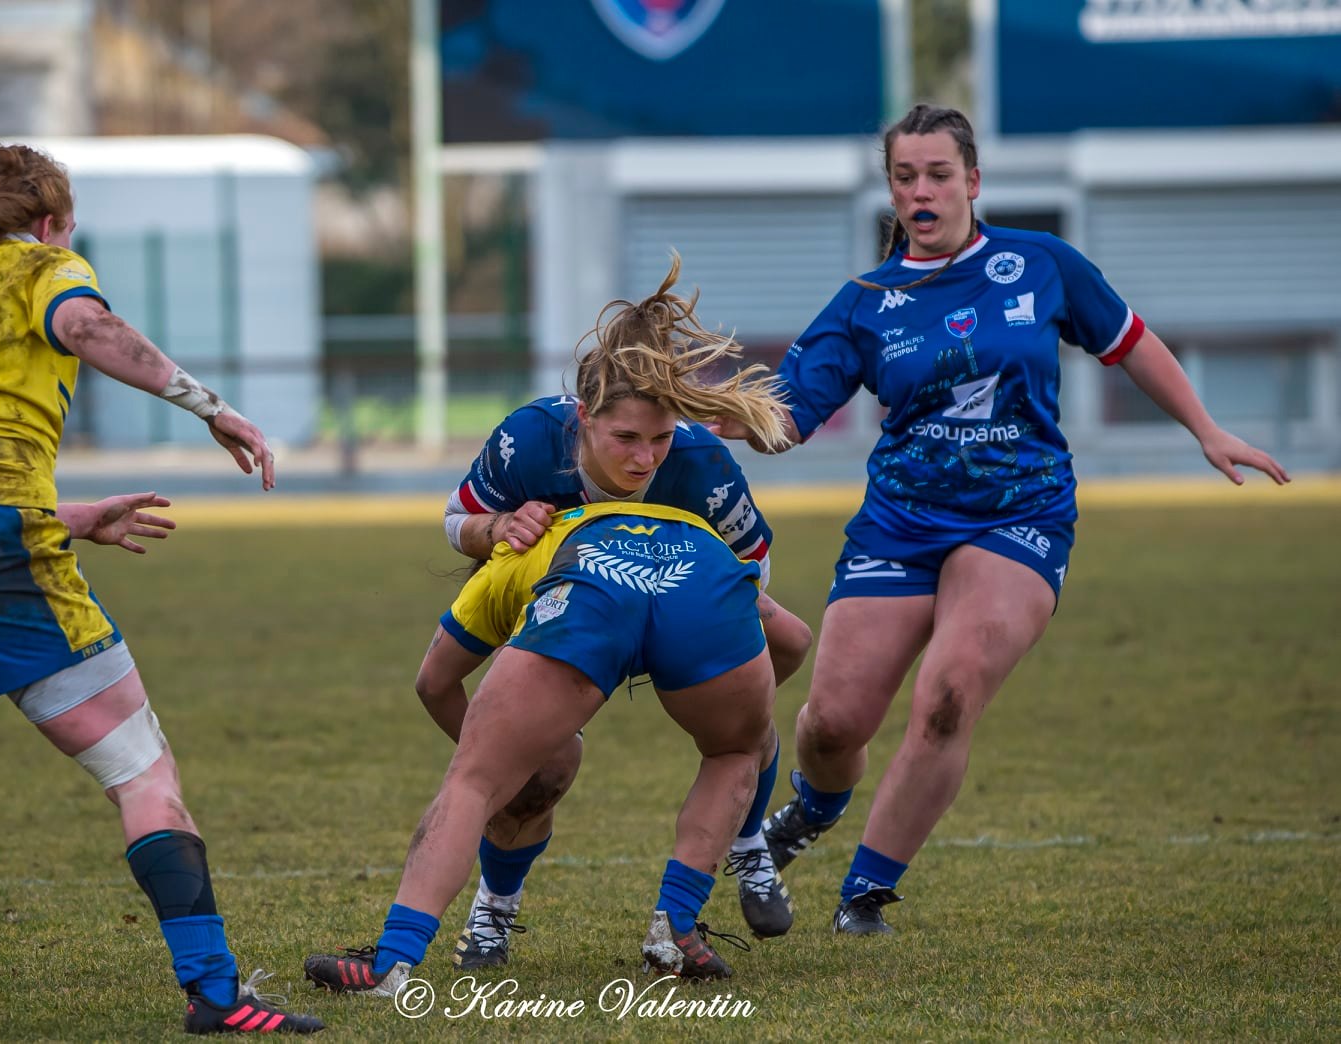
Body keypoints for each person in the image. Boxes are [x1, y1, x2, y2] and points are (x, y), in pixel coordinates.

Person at [708, 103, 1290, 936]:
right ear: (890, 189)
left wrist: (1204, 426)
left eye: (938, 174)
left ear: (972, 183)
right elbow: (791, 416)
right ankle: (810, 809)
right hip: (900, 523)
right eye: (904, 176)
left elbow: (1129, 341)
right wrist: (720, 416)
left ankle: (865, 896)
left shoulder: (1040, 264)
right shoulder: (865, 301)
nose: (922, 191)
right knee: (834, 723)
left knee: (947, 695)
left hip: (1019, 515)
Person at [0, 142, 323, 1034]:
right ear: (46, 223)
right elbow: (90, 330)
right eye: (66, 224)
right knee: (143, 773)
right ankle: (216, 996)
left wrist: (69, 517)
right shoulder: (41, 267)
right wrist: (211, 407)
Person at [428, 256, 813, 962]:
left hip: (678, 606)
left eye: (659, 439)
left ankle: (748, 835)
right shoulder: (528, 439)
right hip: (562, 605)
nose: (644, 460)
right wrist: (499, 528)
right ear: (581, 420)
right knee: (536, 774)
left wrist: (707, 644)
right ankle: (494, 906)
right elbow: (458, 518)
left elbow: (752, 569)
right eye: (626, 440)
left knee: (781, 653)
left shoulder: (699, 466)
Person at [305, 495, 785, 994]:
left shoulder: (503, 564)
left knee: (475, 782)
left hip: (589, 582)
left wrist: (503, 759)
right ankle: (673, 933)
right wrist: (748, 712)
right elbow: (793, 638)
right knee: (733, 753)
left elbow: (433, 682)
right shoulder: (690, 520)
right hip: (704, 575)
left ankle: (393, 963)